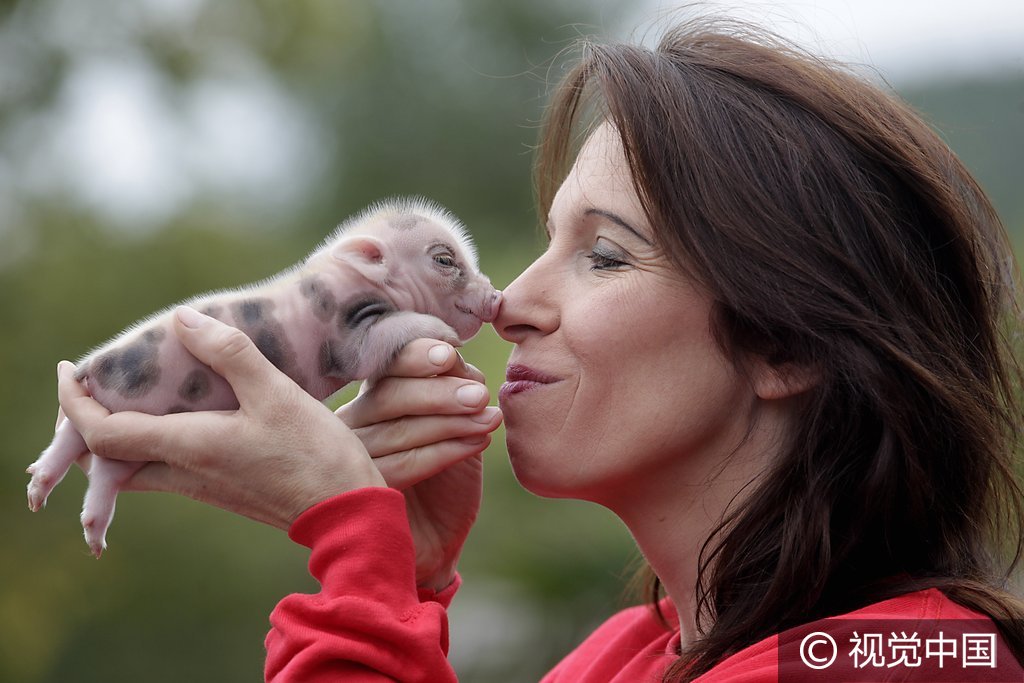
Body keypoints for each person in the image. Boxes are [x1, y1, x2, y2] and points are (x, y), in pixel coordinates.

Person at [55, 17, 1024, 682]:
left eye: (602, 255)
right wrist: (408, 570)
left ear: (783, 340)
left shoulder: (905, 660)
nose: (511, 301)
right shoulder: (627, 653)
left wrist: (352, 544)